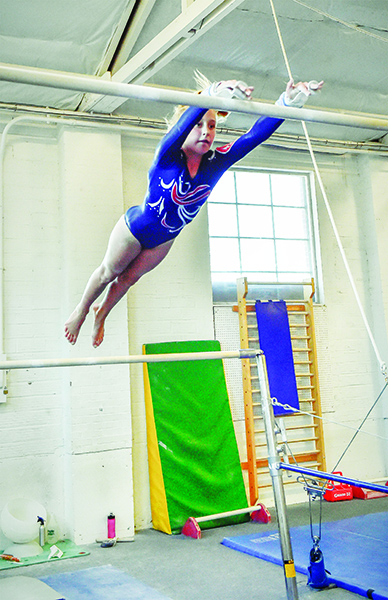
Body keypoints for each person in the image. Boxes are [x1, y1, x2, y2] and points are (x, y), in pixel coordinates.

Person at [65, 75, 323, 347]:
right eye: (199, 125)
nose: (206, 132)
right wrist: (212, 93)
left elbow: (253, 136)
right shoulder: (167, 155)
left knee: (129, 279)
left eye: (212, 126)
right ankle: (82, 310)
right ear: (185, 127)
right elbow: (185, 122)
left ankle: (102, 312)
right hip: (134, 229)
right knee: (108, 273)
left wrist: (286, 104)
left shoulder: (216, 162)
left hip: (164, 240)